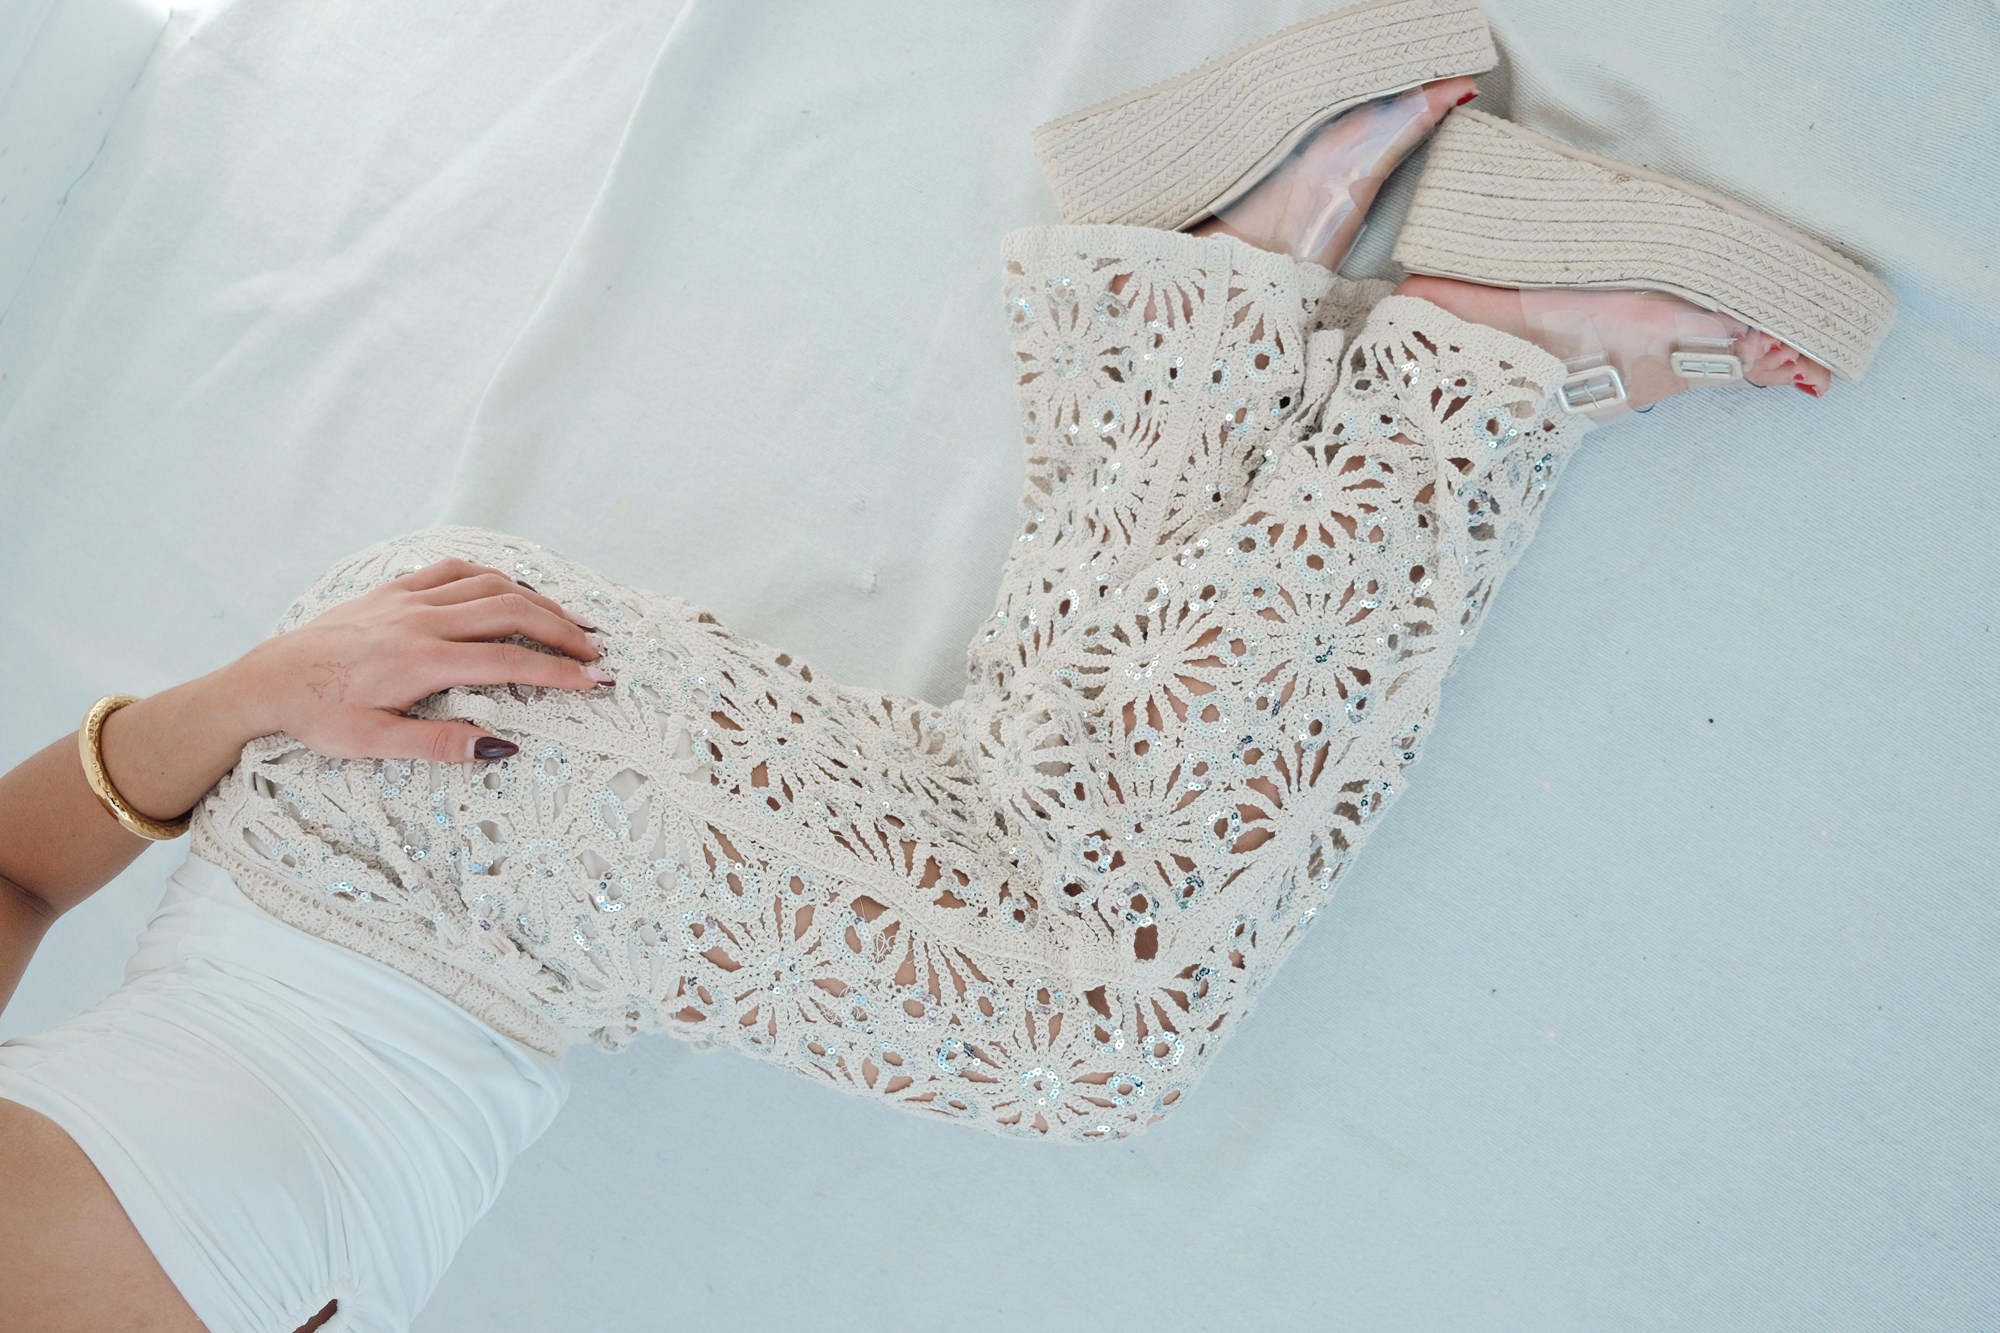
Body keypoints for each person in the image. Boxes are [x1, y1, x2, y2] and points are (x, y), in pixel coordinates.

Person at [0, 1, 1895, 1328]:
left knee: (1089, 1021)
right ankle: (1189, 279)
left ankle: (1482, 359)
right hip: (538, 948)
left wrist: (259, 688)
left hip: (416, 822)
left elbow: (11, 876)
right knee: (1061, 842)